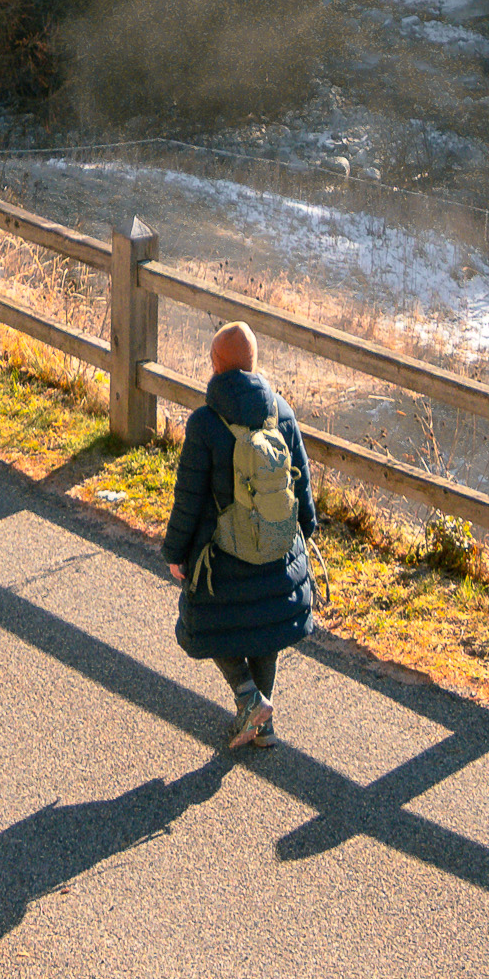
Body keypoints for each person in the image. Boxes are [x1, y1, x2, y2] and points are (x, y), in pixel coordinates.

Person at [163, 318, 317, 754]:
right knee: (266, 625)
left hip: (223, 555)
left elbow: (189, 497)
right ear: (254, 362)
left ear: (215, 365)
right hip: (277, 545)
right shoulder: (281, 411)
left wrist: (175, 551)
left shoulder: (205, 423)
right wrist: (305, 530)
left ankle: (249, 696)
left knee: (205, 621)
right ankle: (263, 725)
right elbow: (302, 480)